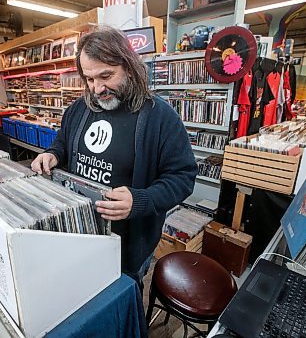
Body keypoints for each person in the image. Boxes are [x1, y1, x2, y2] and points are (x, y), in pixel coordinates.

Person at [31, 27, 197, 290]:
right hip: (79, 231)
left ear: (129, 67)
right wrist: (52, 154)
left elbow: (183, 178)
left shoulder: (160, 117)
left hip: (128, 246)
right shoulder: (78, 109)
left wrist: (141, 200)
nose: (97, 88)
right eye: (89, 79)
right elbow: (63, 142)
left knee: (123, 301)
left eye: (106, 76)